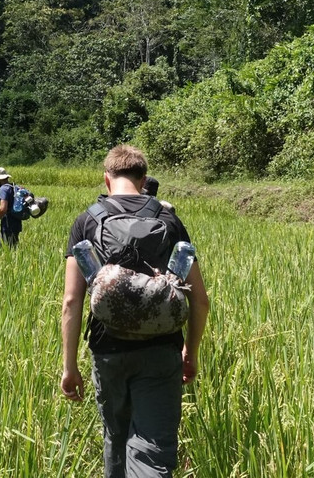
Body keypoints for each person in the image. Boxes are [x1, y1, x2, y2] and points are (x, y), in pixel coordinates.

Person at [60, 145, 210, 478]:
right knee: (151, 451)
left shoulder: (87, 221)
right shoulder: (168, 220)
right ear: (143, 180)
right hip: (161, 348)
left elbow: (72, 300)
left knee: (116, 438)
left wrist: (69, 366)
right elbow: (200, 299)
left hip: (108, 349)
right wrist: (190, 351)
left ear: (106, 178)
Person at [0, 166, 22, 248]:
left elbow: (3, 209)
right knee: (13, 250)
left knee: (3, 250)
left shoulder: (3, 189)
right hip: (17, 224)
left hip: (8, 225)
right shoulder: (14, 187)